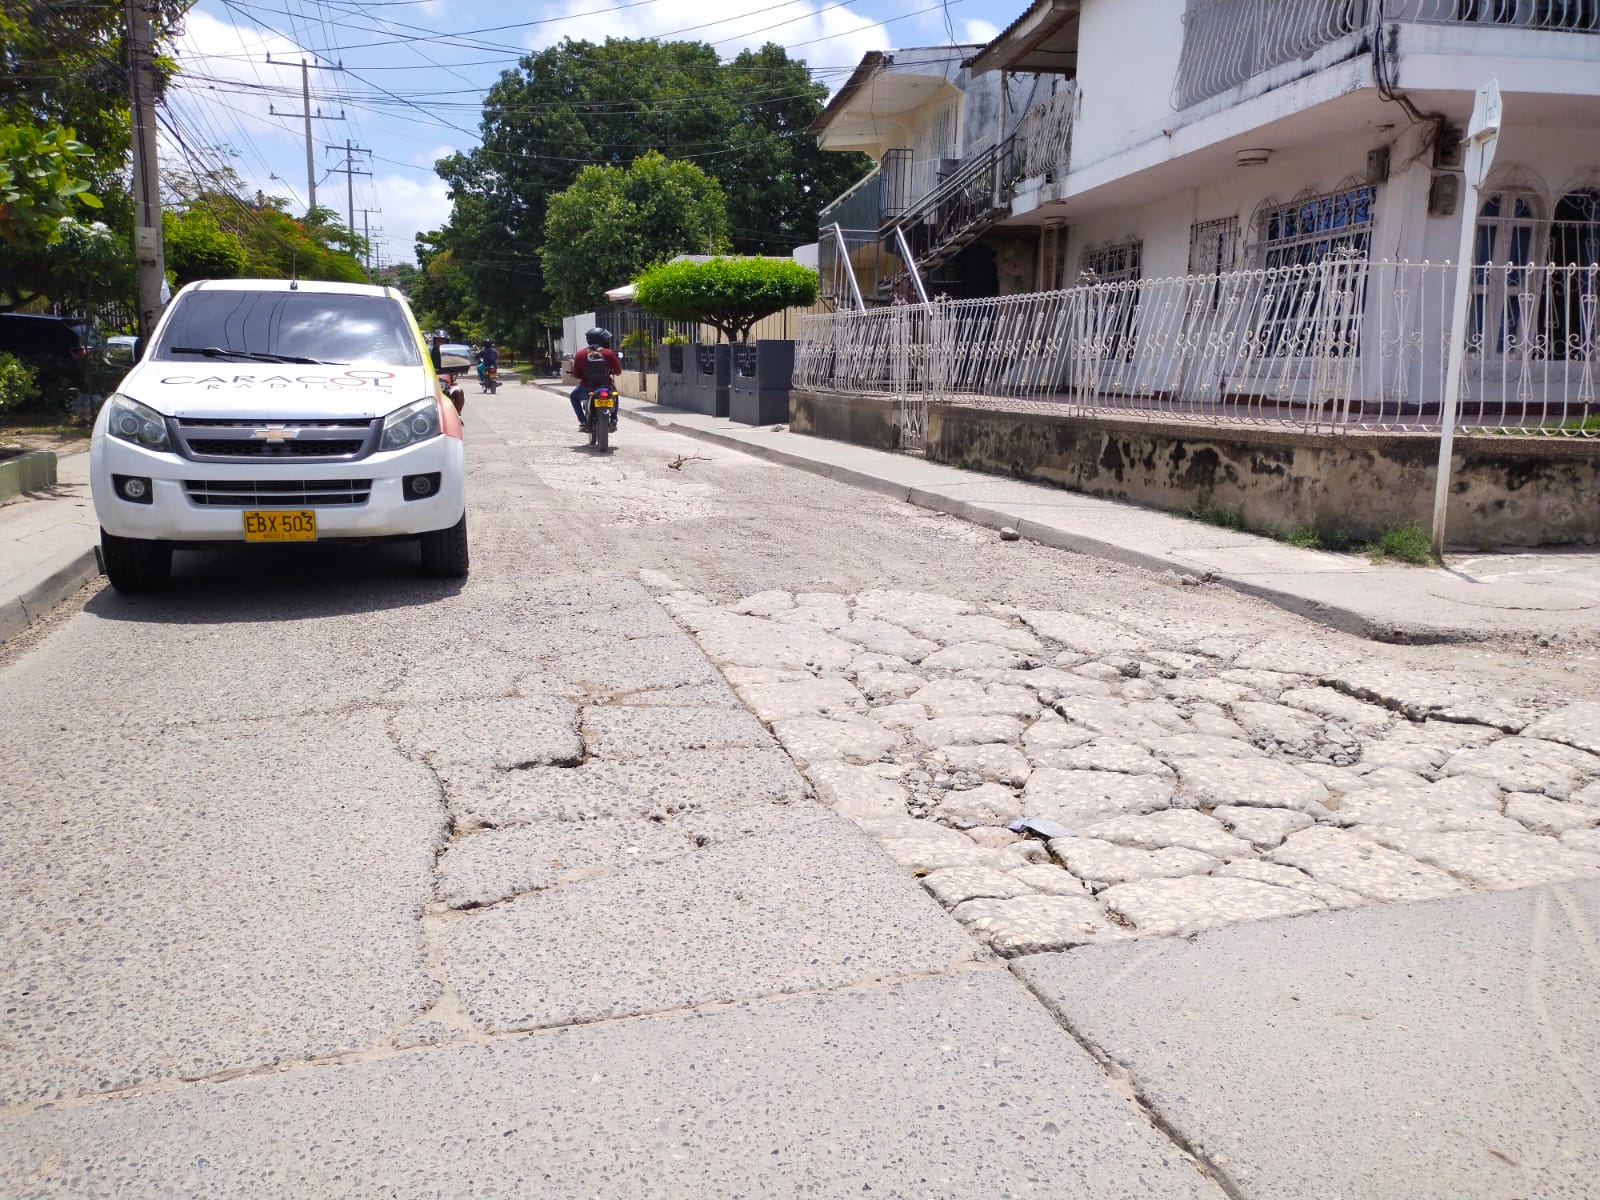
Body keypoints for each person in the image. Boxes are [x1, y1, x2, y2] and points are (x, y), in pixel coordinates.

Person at [568, 326, 621, 431]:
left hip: (587, 388)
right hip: (606, 387)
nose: (607, 341)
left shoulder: (580, 354)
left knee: (573, 397)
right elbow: (618, 371)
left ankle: (583, 422)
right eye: (605, 339)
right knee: (615, 396)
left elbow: (577, 375)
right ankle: (614, 419)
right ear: (600, 340)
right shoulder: (608, 353)